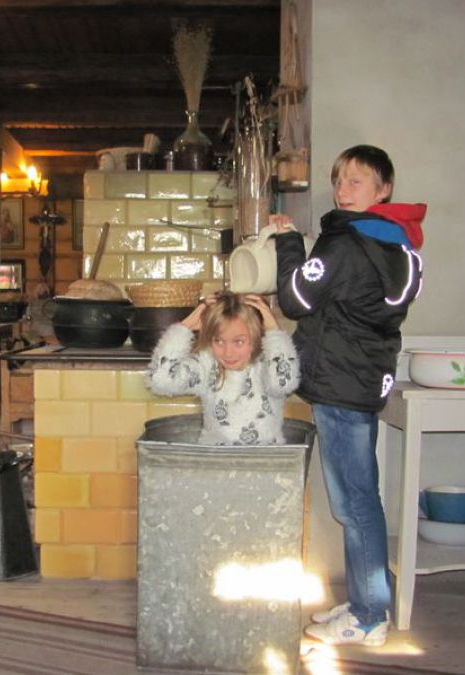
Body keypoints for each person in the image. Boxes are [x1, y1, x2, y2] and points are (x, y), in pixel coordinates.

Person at [272, 144, 426, 646]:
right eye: (339, 180)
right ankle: (365, 600)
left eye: (356, 180)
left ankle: (369, 616)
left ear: (384, 189)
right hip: (361, 380)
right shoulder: (399, 246)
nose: (343, 189)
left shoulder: (345, 243)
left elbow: (295, 298)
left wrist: (288, 243)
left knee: (355, 504)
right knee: (361, 500)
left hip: (339, 384)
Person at [145, 292, 300, 445]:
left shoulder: (267, 366)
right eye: (219, 341)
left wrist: (274, 332)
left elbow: (284, 382)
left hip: (265, 460)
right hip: (215, 460)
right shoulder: (207, 367)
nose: (228, 353)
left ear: (256, 337)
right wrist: (184, 327)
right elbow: (161, 381)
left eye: (238, 342)